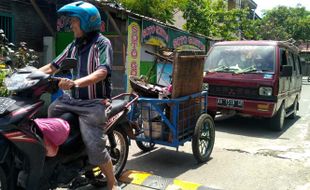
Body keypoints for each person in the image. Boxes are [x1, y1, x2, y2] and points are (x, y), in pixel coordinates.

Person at [39, 1, 119, 190]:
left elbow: (102, 71)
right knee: (51, 111)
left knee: (95, 147)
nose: (71, 24)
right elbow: (52, 66)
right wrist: (28, 75)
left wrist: (76, 82)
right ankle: (64, 159)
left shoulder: (102, 43)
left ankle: (112, 182)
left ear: (86, 22)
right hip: (71, 100)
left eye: (75, 20)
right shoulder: (74, 46)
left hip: (93, 104)